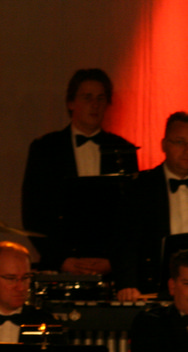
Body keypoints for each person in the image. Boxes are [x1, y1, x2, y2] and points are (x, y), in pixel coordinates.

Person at [21, 68, 138, 274]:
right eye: (87, 97)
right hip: (60, 267)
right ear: (71, 103)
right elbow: (33, 214)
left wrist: (114, 261)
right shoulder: (45, 149)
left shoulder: (123, 150)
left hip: (109, 267)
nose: (95, 104)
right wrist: (60, 260)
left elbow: (132, 215)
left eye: (101, 98)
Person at [117, 111, 188, 301]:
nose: (187, 150)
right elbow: (126, 243)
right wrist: (127, 284)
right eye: (179, 142)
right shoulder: (140, 187)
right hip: (153, 290)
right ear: (164, 145)